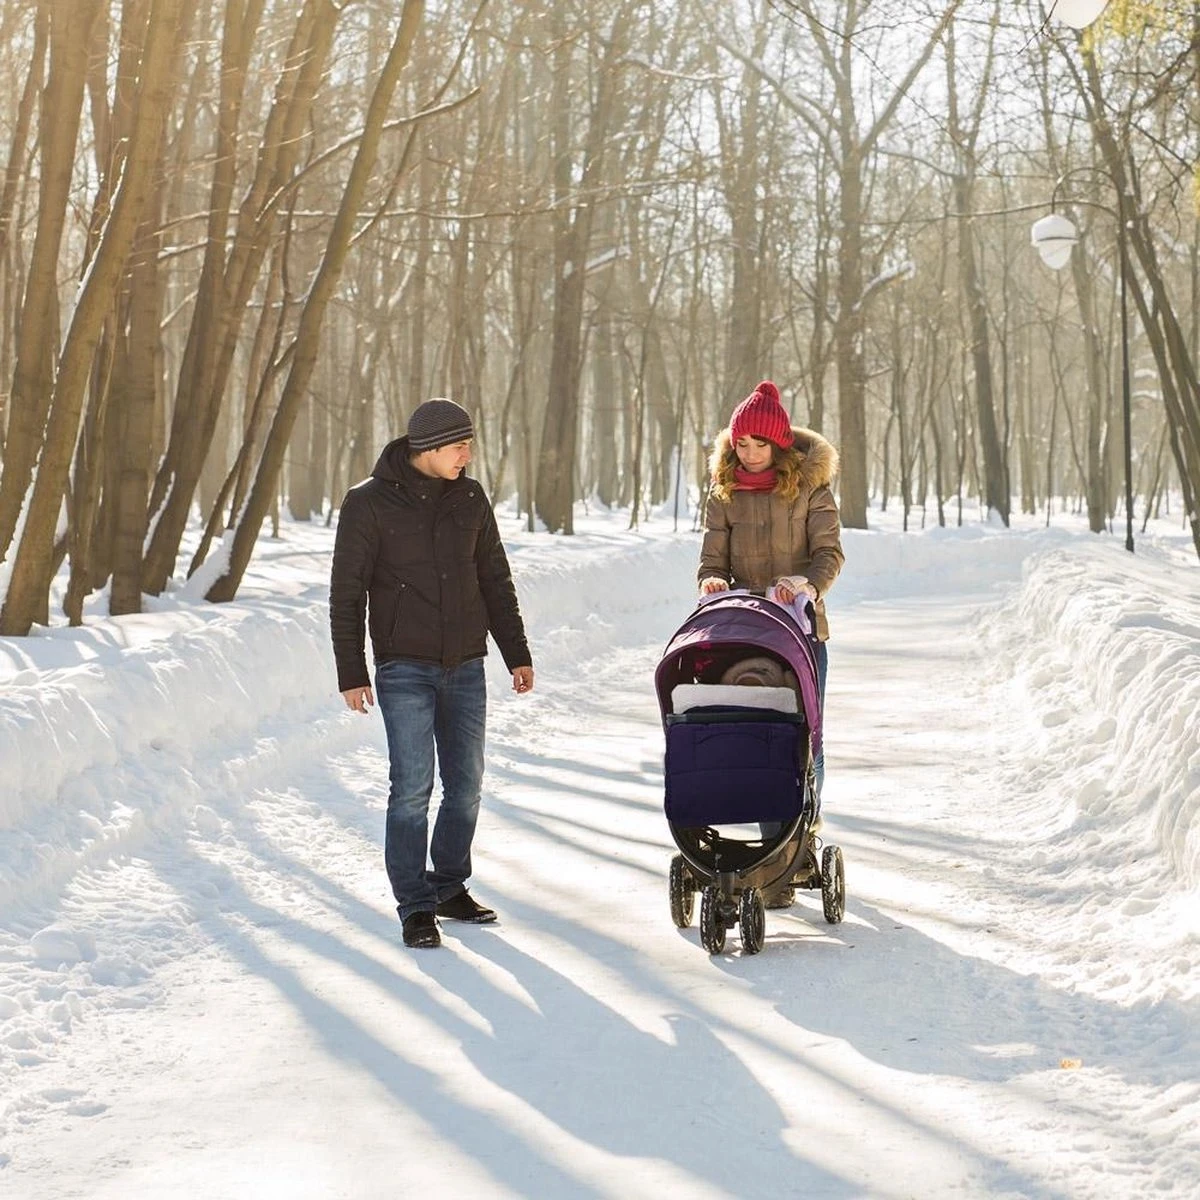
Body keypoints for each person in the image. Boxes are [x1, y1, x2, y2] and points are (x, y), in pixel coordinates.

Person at [330, 398, 534, 949]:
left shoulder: (469, 497)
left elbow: (495, 576)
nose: (468, 455)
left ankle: (447, 886)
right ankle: (415, 905)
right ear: (428, 448)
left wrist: (516, 651)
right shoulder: (368, 504)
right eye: (458, 446)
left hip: (466, 663)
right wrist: (352, 670)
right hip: (403, 667)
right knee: (412, 787)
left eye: (469, 444)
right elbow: (346, 595)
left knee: (466, 785)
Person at [697, 379, 844, 905]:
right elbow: (712, 560)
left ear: (779, 446)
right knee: (757, 734)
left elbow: (829, 554)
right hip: (743, 630)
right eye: (742, 444)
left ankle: (797, 844)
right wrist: (712, 582)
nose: (750, 454)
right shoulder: (725, 492)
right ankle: (766, 852)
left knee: (803, 736)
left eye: (760, 445)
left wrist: (809, 583)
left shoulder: (809, 489)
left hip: (800, 629)